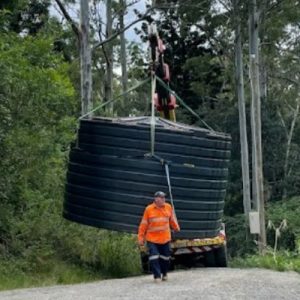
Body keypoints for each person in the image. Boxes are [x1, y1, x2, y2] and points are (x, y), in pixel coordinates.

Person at [138, 191, 180, 282]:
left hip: (165, 238)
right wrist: (141, 238)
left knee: (165, 258)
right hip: (152, 239)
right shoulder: (149, 209)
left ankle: (164, 273)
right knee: (154, 257)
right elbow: (143, 225)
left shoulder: (168, 207)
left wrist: (176, 228)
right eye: (161, 197)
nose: (163, 199)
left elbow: (172, 219)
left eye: (164, 197)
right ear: (156, 199)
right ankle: (157, 276)